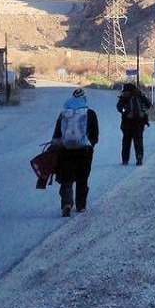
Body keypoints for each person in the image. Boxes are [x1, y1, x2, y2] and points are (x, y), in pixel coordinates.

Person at [52, 88, 99, 217]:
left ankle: (66, 203)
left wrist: (56, 146)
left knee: (66, 178)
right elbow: (95, 134)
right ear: (84, 99)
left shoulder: (64, 114)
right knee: (82, 178)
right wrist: (90, 145)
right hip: (84, 151)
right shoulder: (90, 113)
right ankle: (81, 205)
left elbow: (57, 134)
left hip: (65, 150)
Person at [116, 82, 151, 166]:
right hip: (139, 121)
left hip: (128, 122)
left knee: (126, 141)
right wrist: (142, 112)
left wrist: (125, 113)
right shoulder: (140, 96)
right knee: (138, 140)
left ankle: (125, 160)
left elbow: (119, 108)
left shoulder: (125, 97)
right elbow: (148, 105)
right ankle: (139, 158)